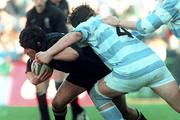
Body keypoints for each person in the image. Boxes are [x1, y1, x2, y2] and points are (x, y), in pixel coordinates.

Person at [35, 5, 180, 118]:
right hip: (155, 65)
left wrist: (48, 54)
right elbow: (141, 32)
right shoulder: (114, 22)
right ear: (93, 12)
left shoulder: (88, 24)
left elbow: (77, 34)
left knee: (97, 94)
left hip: (130, 71)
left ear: (78, 22)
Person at [19, 26, 147, 120]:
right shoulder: (37, 51)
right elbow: (29, 66)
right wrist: (33, 79)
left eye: (27, 49)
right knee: (57, 104)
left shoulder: (53, 42)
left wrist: (49, 55)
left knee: (125, 112)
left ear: (37, 44)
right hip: (80, 74)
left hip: (99, 70)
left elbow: (73, 54)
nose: (25, 52)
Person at [25, 0, 87, 119]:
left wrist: (50, 54)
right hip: (40, 54)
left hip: (57, 53)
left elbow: (62, 34)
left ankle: (77, 112)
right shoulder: (30, 15)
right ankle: (45, 118)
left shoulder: (56, 12)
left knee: (60, 86)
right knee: (40, 89)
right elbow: (27, 35)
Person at [102, 0, 180, 39]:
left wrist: (118, 22)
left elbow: (147, 26)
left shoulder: (173, 2)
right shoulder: (162, 3)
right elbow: (144, 29)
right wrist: (126, 38)